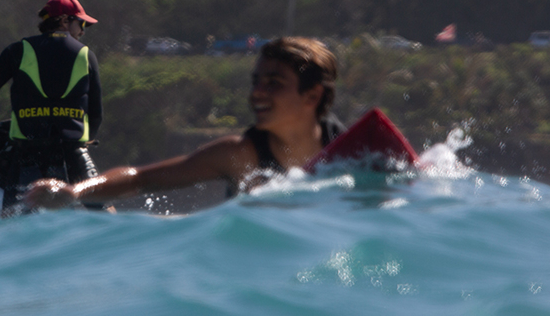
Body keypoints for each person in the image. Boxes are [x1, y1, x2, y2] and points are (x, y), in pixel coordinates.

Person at [25, 36, 344, 210]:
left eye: (274, 82)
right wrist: (74, 191)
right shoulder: (239, 155)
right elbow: (140, 179)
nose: (257, 93)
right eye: (256, 81)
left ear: (311, 96)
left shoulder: (352, 151)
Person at [0, 0, 104, 208]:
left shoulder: (17, 51)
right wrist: (89, 139)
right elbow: (96, 111)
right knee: (102, 210)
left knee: (14, 217)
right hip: (72, 151)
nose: (82, 31)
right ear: (63, 20)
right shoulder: (86, 55)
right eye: (81, 23)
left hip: (26, 152)